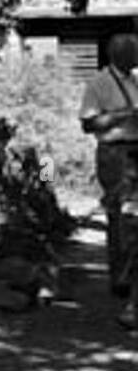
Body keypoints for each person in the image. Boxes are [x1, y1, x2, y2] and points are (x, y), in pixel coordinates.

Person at [79, 32, 138, 330]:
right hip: (115, 153)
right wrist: (124, 114)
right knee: (120, 216)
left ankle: (128, 277)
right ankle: (121, 279)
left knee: (134, 219)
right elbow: (88, 124)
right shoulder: (99, 83)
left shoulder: (136, 80)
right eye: (134, 53)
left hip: (135, 149)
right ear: (118, 55)